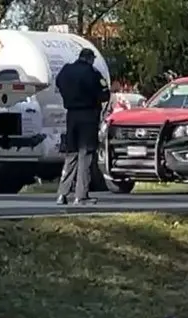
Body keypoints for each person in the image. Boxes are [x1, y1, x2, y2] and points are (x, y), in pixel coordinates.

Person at [55, 47, 110, 206]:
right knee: (85, 155)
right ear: (90, 59)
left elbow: (59, 83)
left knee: (71, 154)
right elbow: (104, 94)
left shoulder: (66, 70)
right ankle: (81, 195)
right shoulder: (92, 73)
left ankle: (62, 194)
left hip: (71, 115)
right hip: (88, 116)